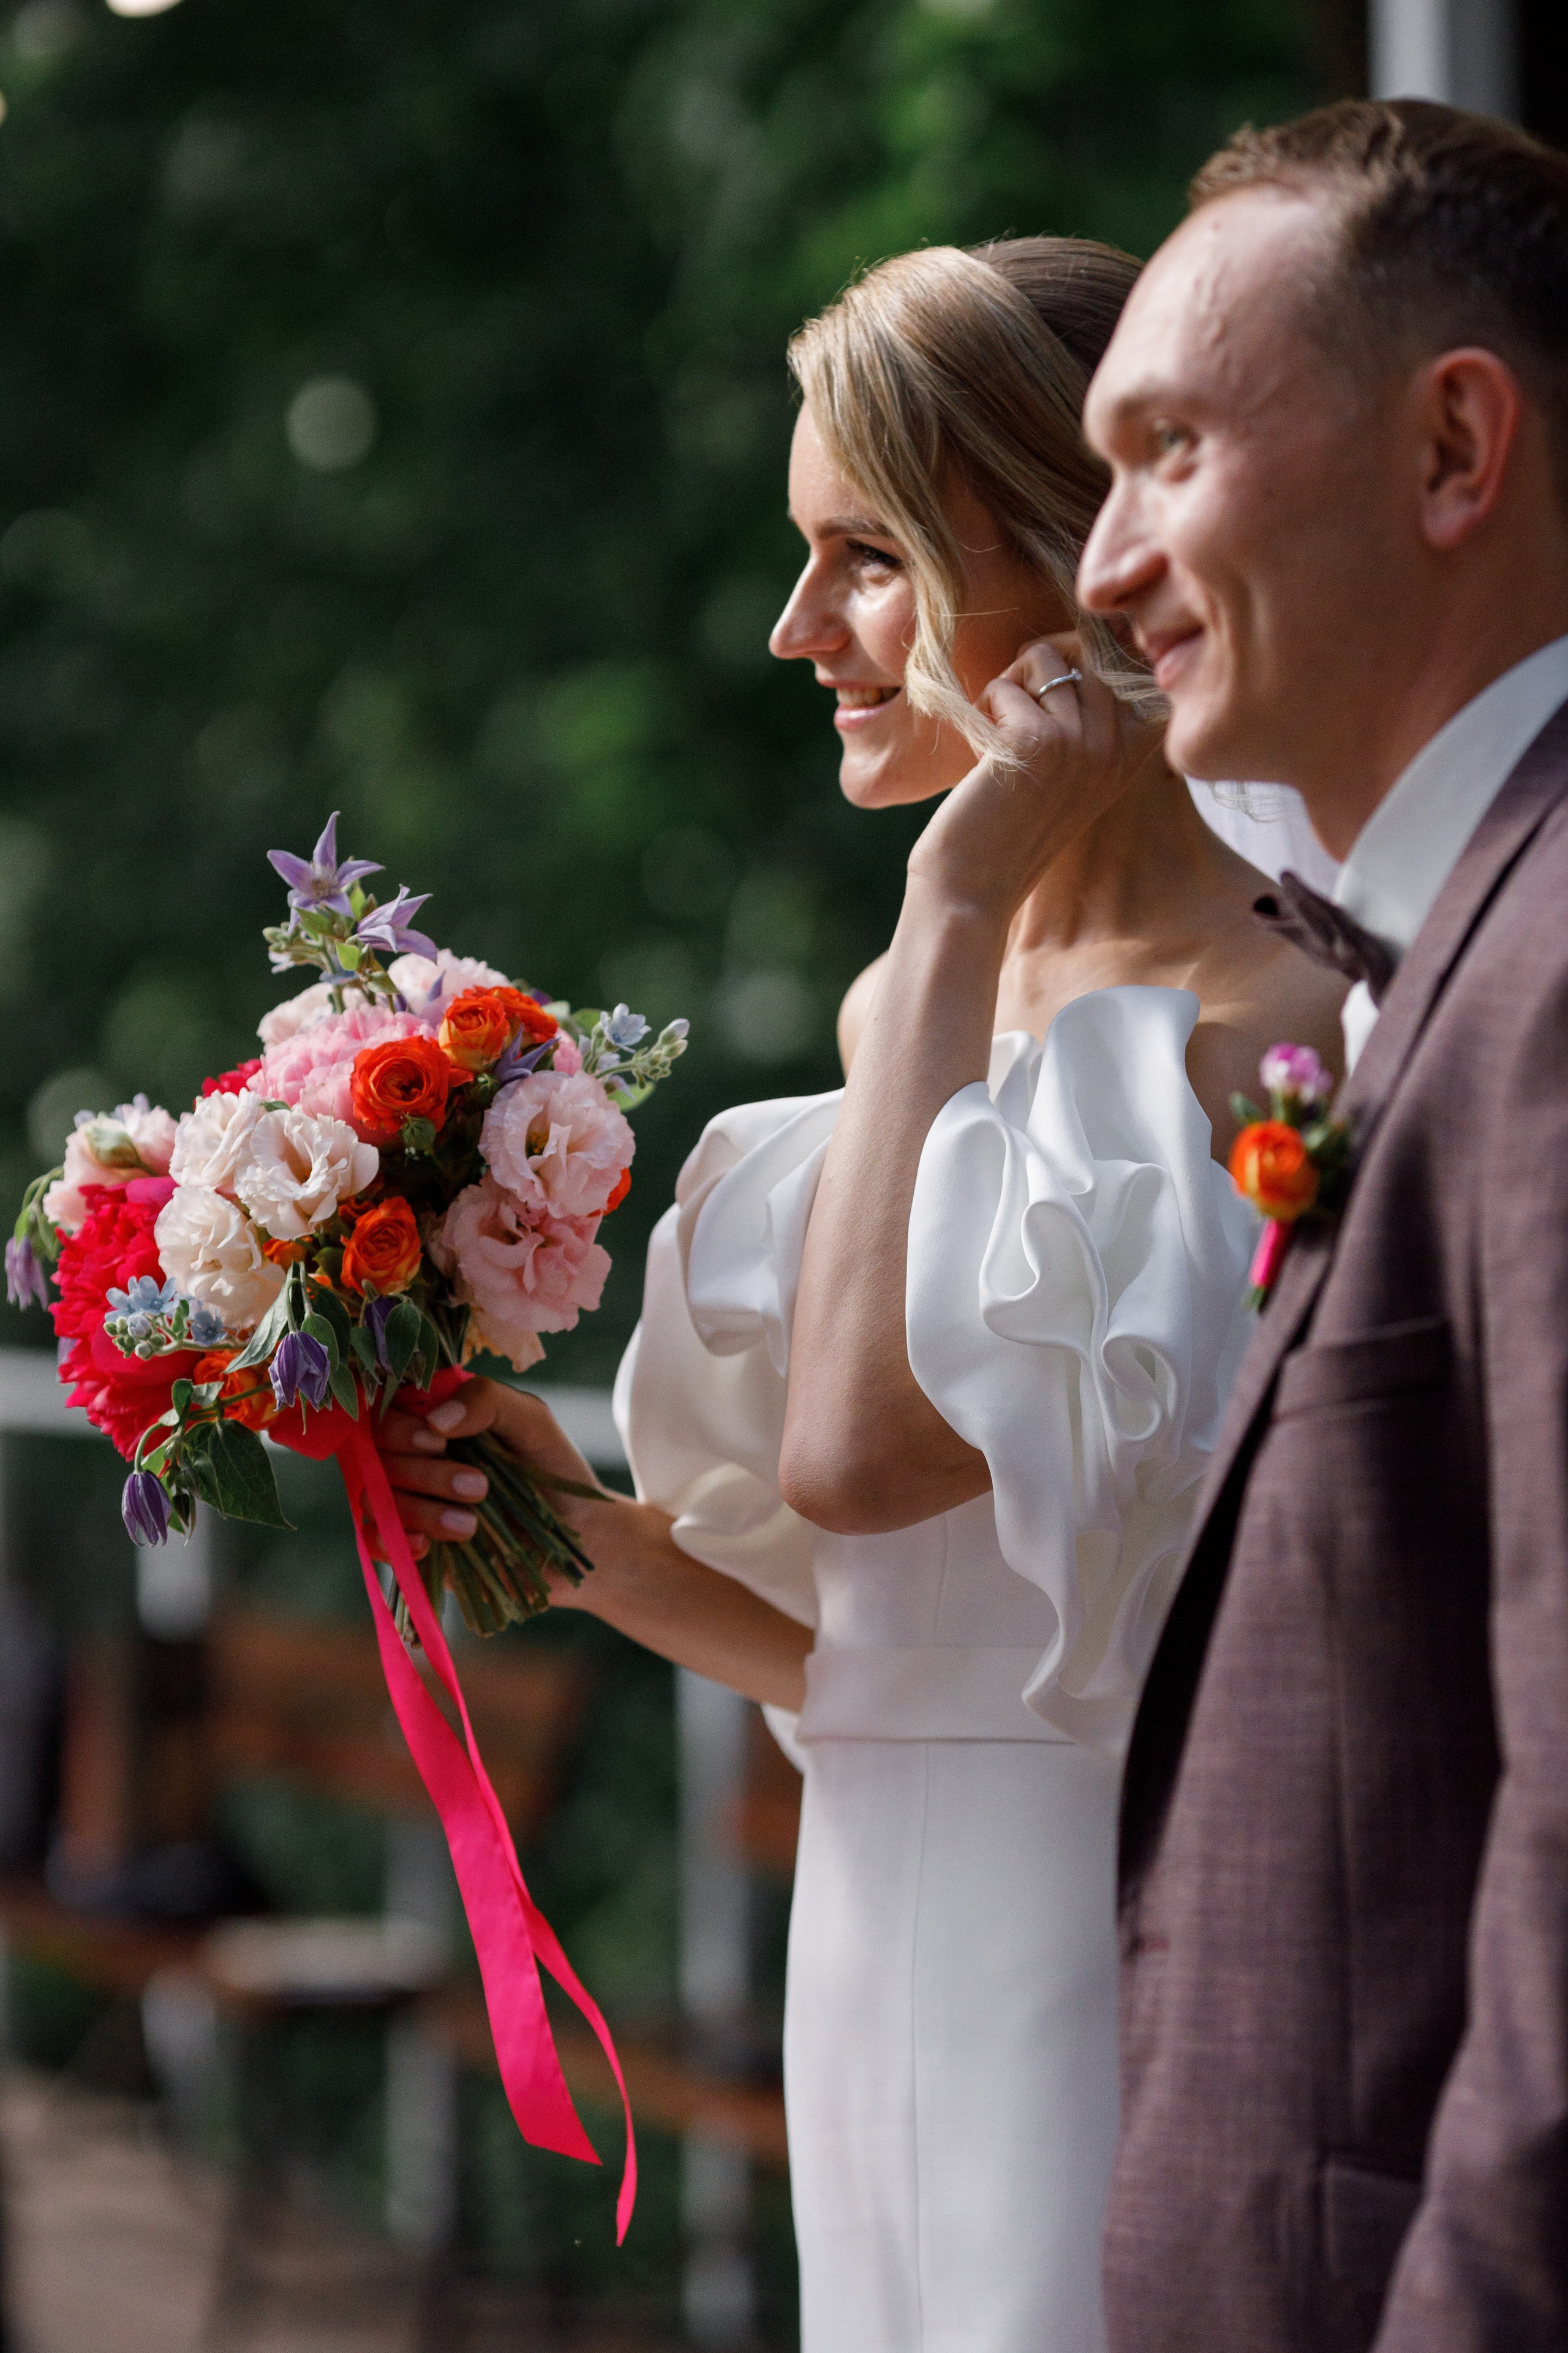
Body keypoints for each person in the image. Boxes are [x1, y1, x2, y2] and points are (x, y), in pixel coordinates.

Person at [379, 238, 1343, 2351]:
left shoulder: (1285, 1017)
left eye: (865, 557)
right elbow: (878, 1668)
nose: (797, 628)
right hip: (873, 1942)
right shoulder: (929, 996)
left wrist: (960, 885)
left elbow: (848, 1448)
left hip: (1106, 1961)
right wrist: (595, 1547)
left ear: (1074, 561)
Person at [1072, 97, 1568, 2353]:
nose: (1100, 566)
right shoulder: (1446, 943)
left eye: (1166, 449)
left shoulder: (1557, 973)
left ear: (1456, 449)